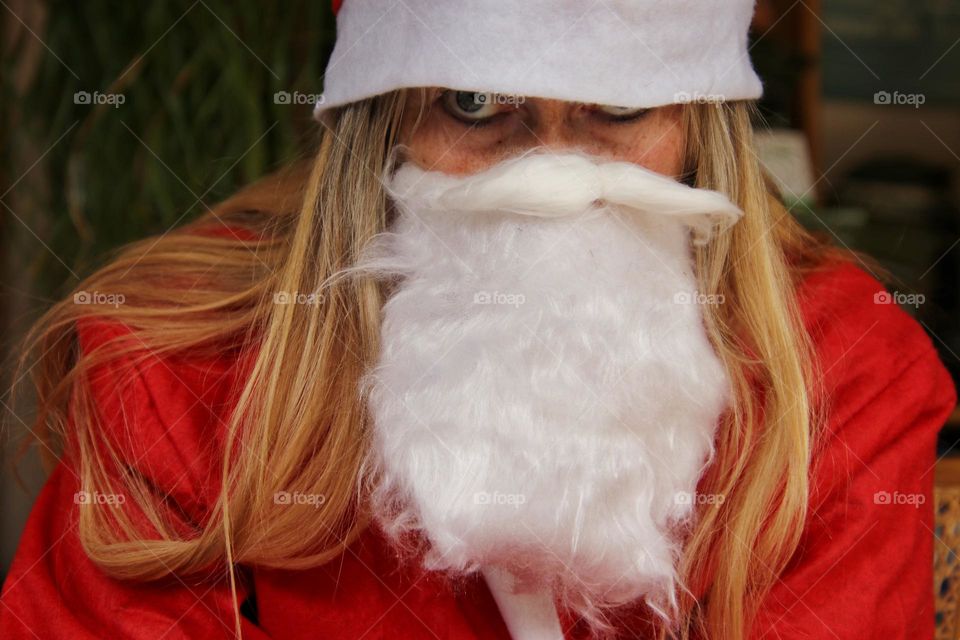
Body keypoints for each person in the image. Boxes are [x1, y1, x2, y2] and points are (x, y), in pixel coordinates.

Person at [1, 1, 955, 639]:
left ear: (699, 125)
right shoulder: (182, 363)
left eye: (620, 109)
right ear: (387, 121)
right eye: (474, 105)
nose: (547, 173)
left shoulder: (845, 366)